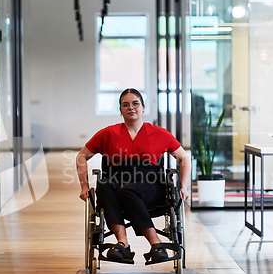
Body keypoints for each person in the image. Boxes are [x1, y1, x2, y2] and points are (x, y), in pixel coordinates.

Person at [76, 88, 190, 263]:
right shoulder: (108, 133)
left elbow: (183, 157)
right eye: (125, 104)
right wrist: (84, 186)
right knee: (105, 184)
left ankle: (155, 243)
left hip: (150, 185)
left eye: (135, 103)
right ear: (120, 110)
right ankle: (123, 243)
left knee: (126, 190)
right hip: (117, 181)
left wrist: (184, 186)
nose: (131, 107)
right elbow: (81, 156)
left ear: (143, 107)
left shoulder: (159, 133)